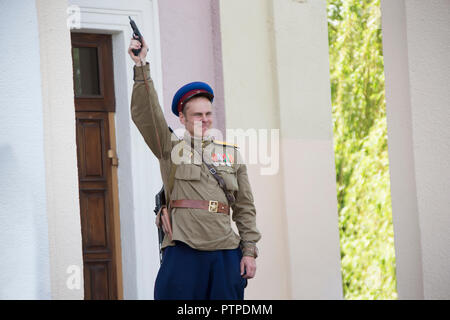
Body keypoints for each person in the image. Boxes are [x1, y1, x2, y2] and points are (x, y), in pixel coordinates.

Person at [128, 36, 261, 300]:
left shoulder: (230, 155)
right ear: (183, 118)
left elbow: (244, 207)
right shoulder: (170, 148)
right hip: (184, 250)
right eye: (197, 115)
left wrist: (249, 251)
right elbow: (148, 114)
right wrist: (141, 66)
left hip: (224, 252)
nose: (204, 119)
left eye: (208, 114)